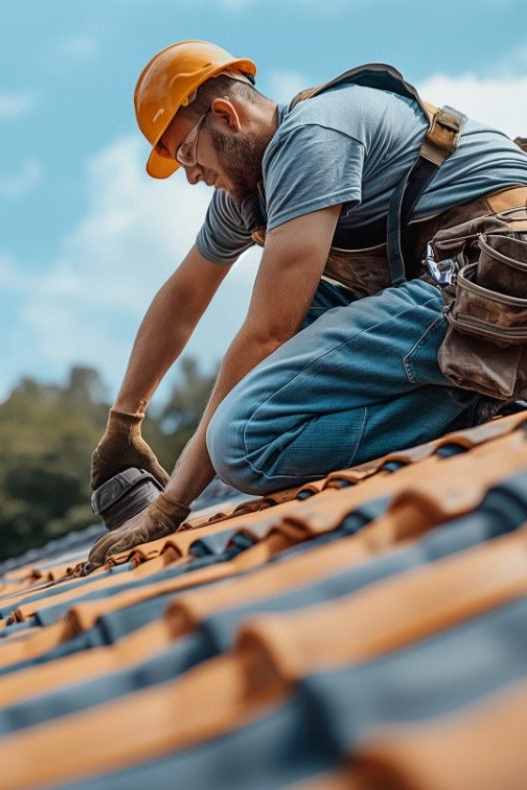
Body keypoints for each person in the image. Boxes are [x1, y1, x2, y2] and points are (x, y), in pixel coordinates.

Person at [87, 40, 527, 567]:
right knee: (293, 311)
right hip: (451, 294)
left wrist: (171, 504)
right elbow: (183, 297)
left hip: (498, 285)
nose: (191, 175)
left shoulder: (314, 136)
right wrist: (124, 422)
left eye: (187, 153)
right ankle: (471, 394)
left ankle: (486, 396)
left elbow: (267, 333)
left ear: (224, 115)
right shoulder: (249, 193)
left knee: (243, 441)